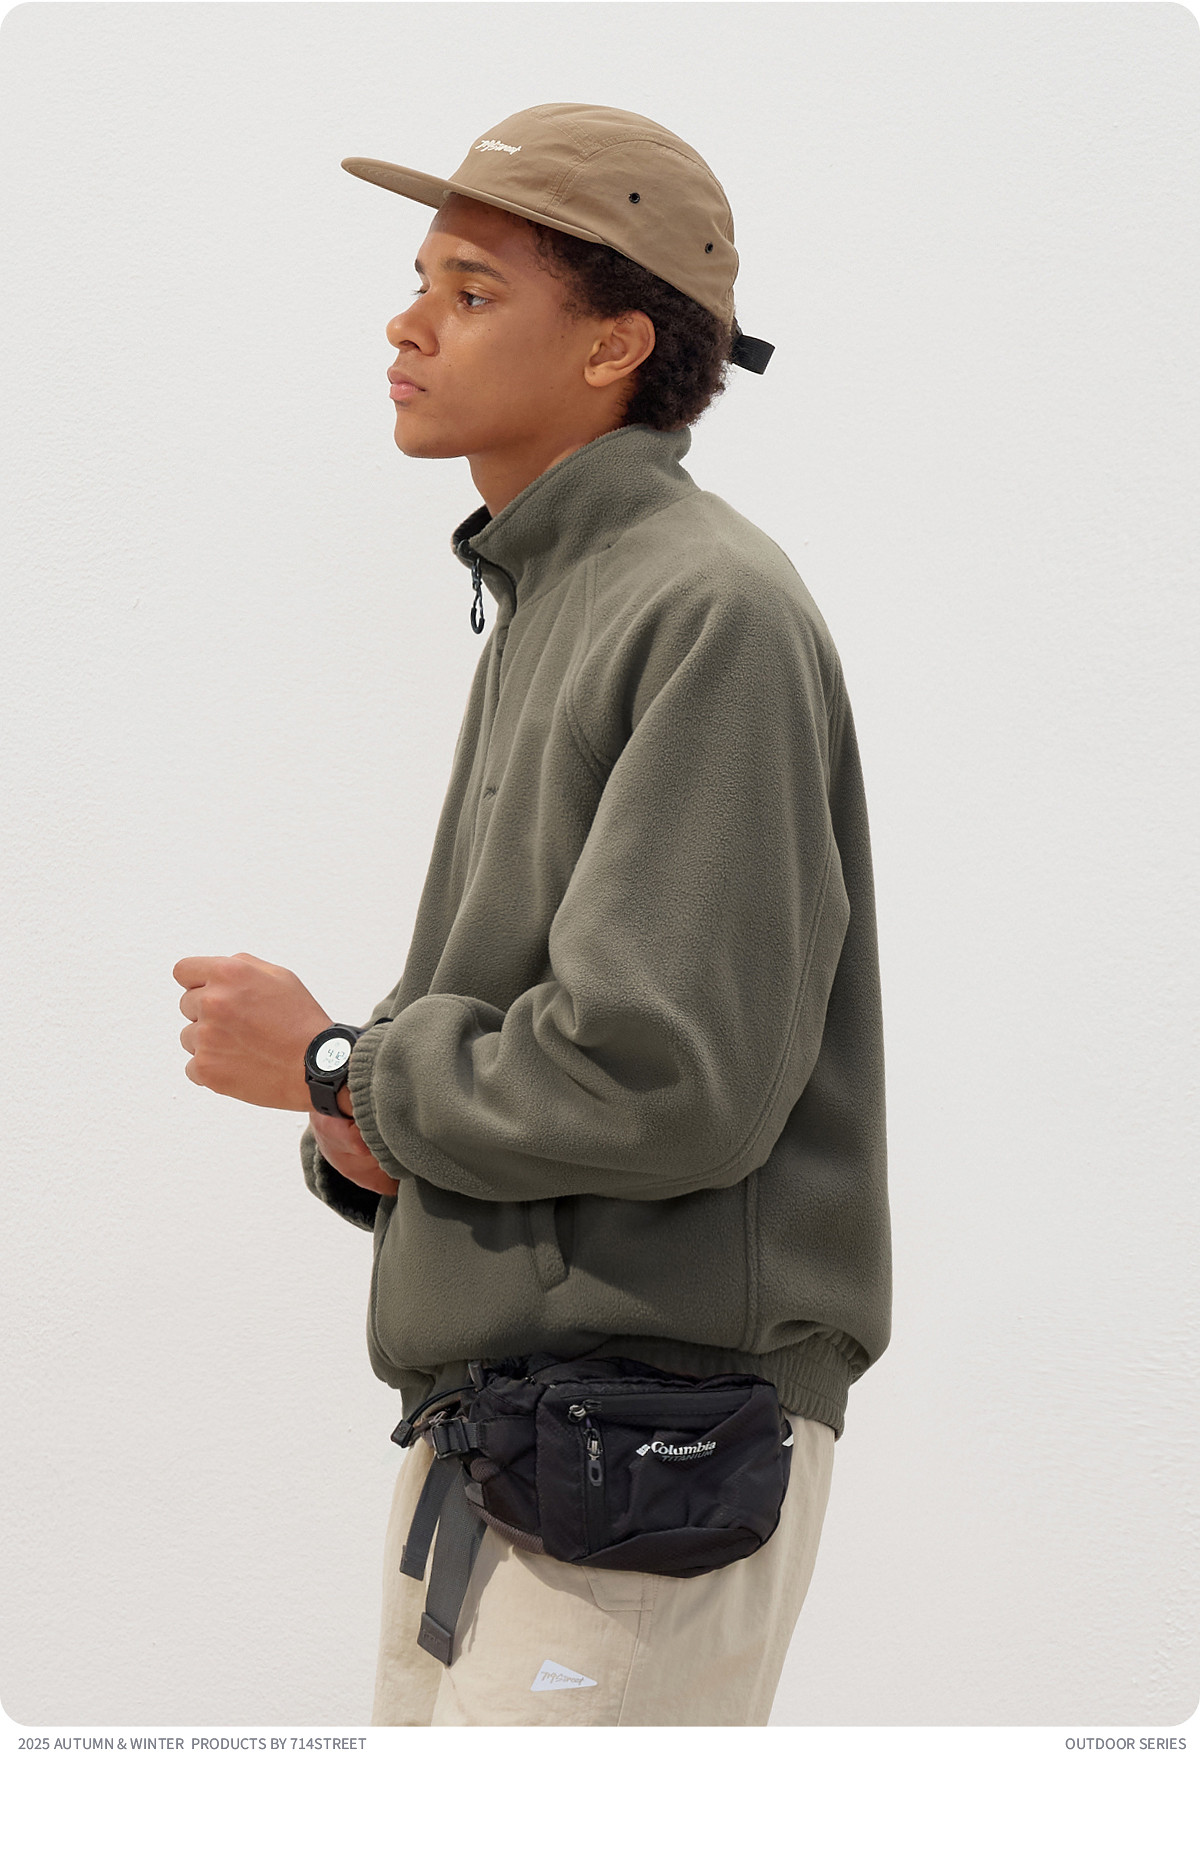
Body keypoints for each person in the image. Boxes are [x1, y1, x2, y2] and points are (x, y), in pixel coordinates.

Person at [174, 101, 891, 1727]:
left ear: (615, 344)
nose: (407, 322)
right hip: (520, 1441)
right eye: (421, 278)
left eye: (473, 288)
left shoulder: (704, 606)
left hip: (645, 1449)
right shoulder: (562, 593)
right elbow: (557, 1044)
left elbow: (664, 1076)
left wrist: (342, 1065)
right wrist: (372, 1124)